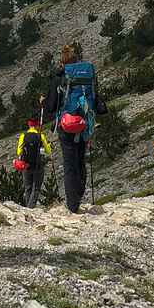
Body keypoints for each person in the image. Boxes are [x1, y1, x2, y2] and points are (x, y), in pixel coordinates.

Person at [42, 44, 104, 213]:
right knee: (80, 159)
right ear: (76, 59)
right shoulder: (87, 73)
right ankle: (80, 192)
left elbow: (52, 105)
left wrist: (44, 101)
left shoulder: (60, 76)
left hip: (66, 125)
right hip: (84, 123)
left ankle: (73, 205)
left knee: (69, 164)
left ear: (62, 61)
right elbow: (95, 95)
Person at [15, 118, 52, 208]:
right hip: (38, 165)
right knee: (36, 188)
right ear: (37, 125)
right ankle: (31, 207)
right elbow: (48, 151)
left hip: (26, 165)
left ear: (29, 125)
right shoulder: (40, 136)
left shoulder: (23, 135)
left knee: (28, 188)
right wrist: (49, 146)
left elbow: (19, 151)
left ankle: (28, 207)